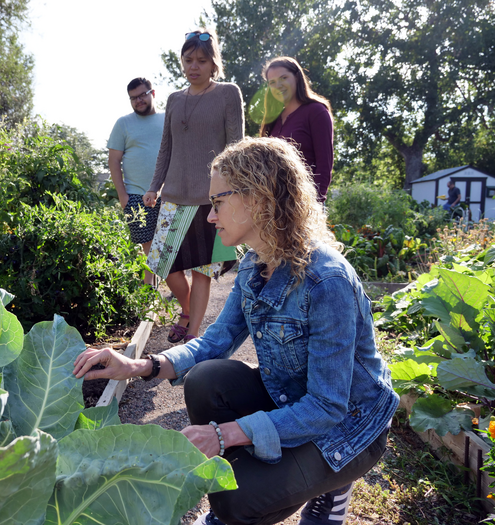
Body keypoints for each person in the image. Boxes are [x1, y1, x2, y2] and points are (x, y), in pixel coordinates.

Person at [74, 137, 399, 525]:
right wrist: (139, 365)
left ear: (258, 199)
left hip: (350, 427)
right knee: (207, 379)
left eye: (217, 203)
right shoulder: (253, 265)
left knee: (235, 503)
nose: (210, 217)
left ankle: (330, 483)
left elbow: (329, 406)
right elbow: (216, 341)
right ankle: (278, 479)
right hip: (293, 402)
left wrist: (225, 435)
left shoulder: (325, 282)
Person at [143, 29, 244, 343]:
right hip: (173, 196)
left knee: (203, 270)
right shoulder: (174, 99)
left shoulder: (228, 93)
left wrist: (233, 190)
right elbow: (166, 148)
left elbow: (236, 145)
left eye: (202, 60)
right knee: (162, 262)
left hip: (210, 198)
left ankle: (193, 334)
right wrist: (153, 186)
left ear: (214, 63)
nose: (194, 66)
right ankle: (185, 310)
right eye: (188, 60)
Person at [108, 77, 166, 286]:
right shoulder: (123, 123)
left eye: (142, 95)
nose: (138, 100)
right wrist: (122, 196)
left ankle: (172, 288)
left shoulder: (167, 119)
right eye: (133, 98)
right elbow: (114, 161)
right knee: (146, 245)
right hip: (135, 194)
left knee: (169, 244)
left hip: (169, 193)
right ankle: (148, 291)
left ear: (152, 93)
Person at [259, 57, 334, 204]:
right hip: (275, 205)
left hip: (305, 203)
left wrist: (314, 205)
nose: (278, 85)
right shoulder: (272, 119)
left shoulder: (316, 111)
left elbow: (324, 165)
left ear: (297, 78)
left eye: (283, 78)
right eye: (272, 82)